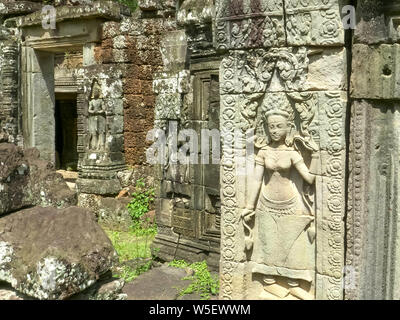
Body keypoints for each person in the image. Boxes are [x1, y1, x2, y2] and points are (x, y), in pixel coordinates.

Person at [242, 109, 319, 300]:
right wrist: (249, 206)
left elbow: (309, 178)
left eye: (279, 126)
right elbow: (256, 181)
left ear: (289, 128)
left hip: (291, 203)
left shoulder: (292, 153)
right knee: (268, 244)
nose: (275, 130)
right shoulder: (264, 152)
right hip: (266, 203)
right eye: (271, 126)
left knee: (292, 245)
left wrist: (316, 155)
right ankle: (269, 283)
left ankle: (293, 284)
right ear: (266, 129)